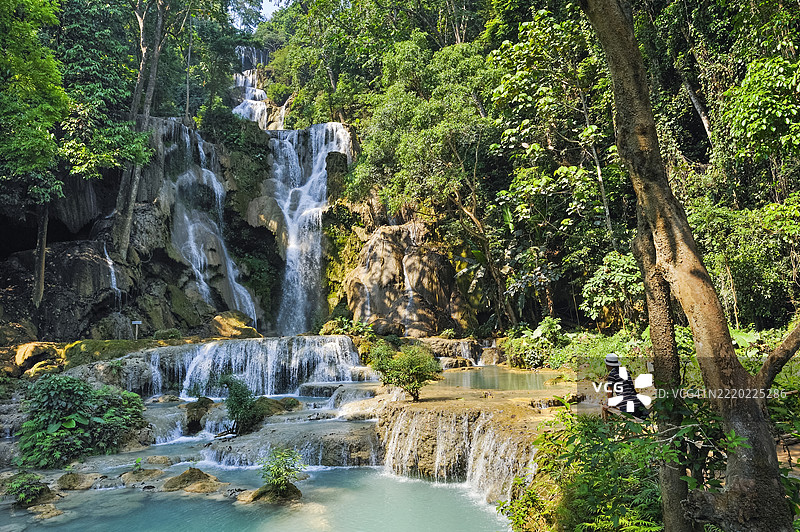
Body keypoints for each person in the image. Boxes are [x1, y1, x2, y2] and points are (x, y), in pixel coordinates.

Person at [603, 353, 649, 419]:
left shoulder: (612, 375)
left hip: (627, 405)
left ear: (608, 365)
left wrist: (609, 404)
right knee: (645, 422)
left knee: (629, 424)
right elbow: (631, 387)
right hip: (637, 402)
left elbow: (610, 391)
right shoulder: (625, 372)